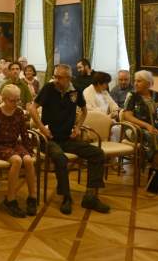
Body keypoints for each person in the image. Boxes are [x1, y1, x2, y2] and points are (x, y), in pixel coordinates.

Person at [29, 64, 110, 215]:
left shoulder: (75, 90)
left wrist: (78, 127)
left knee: (97, 153)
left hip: (67, 138)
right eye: (55, 76)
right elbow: (32, 108)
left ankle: (90, 196)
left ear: (68, 78)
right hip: (49, 139)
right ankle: (66, 197)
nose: (56, 79)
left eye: (59, 77)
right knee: (60, 159)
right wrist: (41, 128)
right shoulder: (49, 88)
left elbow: (84, 111)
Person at [0, 85, 37, 218]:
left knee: (28, 160)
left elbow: (24, 133)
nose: (16, 103)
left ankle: (32, 197)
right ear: (4, 99)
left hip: (14, 144)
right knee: (17, 160)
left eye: (18, 100)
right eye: (12, 100)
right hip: (0, 146)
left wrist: (29, 150)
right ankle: (10, 199)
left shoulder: (19, 112)